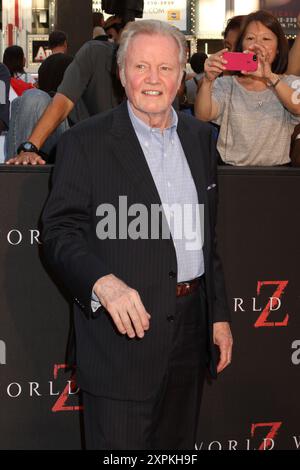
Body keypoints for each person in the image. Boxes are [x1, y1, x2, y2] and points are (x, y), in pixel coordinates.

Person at [41, 19, 232, 450]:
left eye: (166, 68)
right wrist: (102, 284)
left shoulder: (201, 138)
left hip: (189, 333)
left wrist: (217, 314)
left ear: (183, 74)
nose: (153, 79)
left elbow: (207, 239)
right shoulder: (85, 142)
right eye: (141, 66)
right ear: (121, 72)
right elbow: (58, 232)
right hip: (120, 338)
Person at [195, 10, 300, 166]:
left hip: (276, 177)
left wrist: (270, 77)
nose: (257, 45)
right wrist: (208, 81)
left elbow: (297, 107)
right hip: (231, 174)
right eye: (250, 38)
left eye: (266, 38)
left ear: (278, 49)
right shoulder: (226, 84)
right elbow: (203, 115)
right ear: (241, 45)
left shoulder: (289, 83)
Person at [6, 36, 120, 165]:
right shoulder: (95, 53)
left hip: (104, 157)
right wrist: (29, 147)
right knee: (33, 99)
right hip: (71, 140)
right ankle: (14, 175)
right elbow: (63, 102)